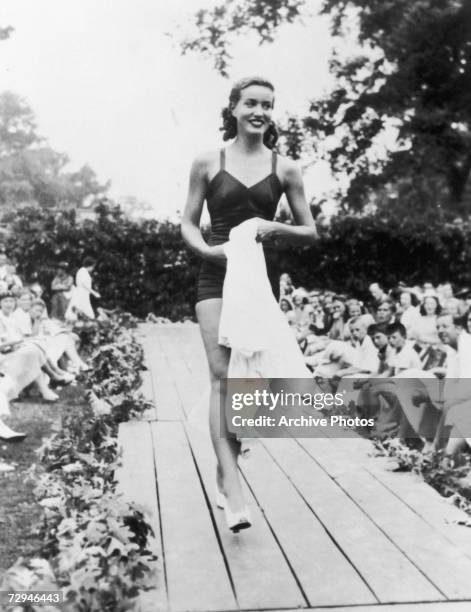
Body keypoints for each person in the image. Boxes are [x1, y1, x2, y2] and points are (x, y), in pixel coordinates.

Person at [181, 76, 317, 532]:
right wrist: (207, 251)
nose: (259, 110)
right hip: (215, 276)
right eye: (251, 103)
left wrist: (269, 224)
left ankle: (226, 472)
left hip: (257, 283)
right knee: (221, 378)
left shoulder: (286, 169)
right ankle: (235, 494)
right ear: (234, 108)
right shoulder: (207, 160)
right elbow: (188, 222)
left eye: (267, 104)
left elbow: (309, 230)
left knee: (246, 384)